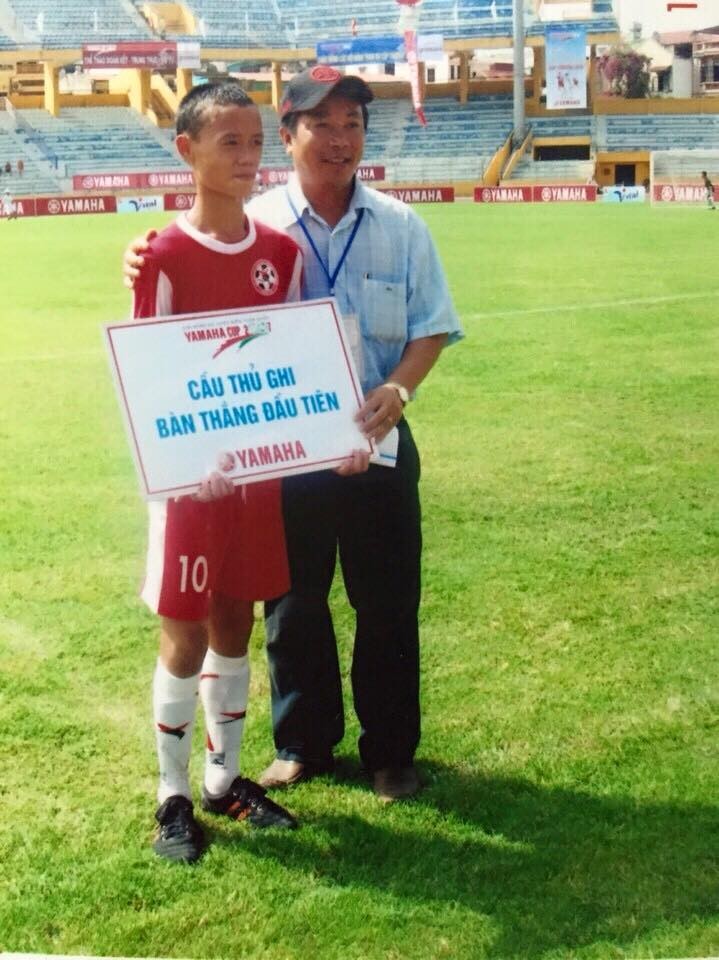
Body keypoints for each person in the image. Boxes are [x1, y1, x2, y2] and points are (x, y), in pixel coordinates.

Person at [124, 67, 463, 803]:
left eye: (353, 125)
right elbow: (192, 300)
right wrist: (142, 260)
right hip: (285, 460)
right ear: (290, 137)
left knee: (386, 605)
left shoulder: (402, 226)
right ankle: (302, 743)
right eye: (323, 125)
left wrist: (398, 389)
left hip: (377, 446)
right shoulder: (261, 225)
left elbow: (432, 326)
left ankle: (391, 753)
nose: (340, 141)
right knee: (291, 604)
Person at [132, 81, 306, 863]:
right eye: (227, 142)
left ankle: (222, 779)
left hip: (256, 481)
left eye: (254, 142)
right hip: (189, 486)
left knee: (236, 622)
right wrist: (183, 461)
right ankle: (171, 797)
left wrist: (311, 438)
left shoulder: (281, 254)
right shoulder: (164, 254)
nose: (245, 157)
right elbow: (148, 373)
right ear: (187, 152)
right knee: (185, 635)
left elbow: (294, 364)